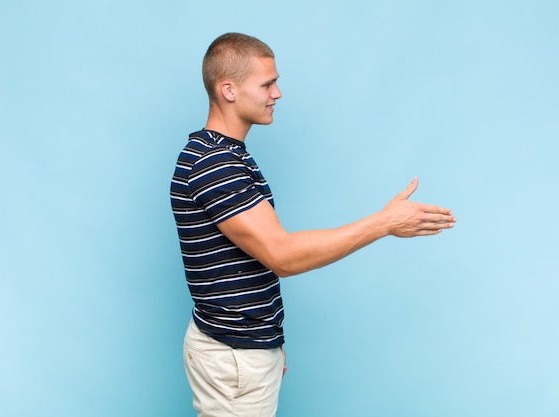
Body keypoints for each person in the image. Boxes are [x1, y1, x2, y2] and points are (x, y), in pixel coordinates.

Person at [170, 32, 456, 417]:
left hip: (241, 350)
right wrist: (385, 222)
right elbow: (282, 255)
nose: (278, 93)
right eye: (267, 84)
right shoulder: (216, 165)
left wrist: (268, 345)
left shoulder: (224, 156)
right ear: (229, 90)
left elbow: (243, 263)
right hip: (234, 356)